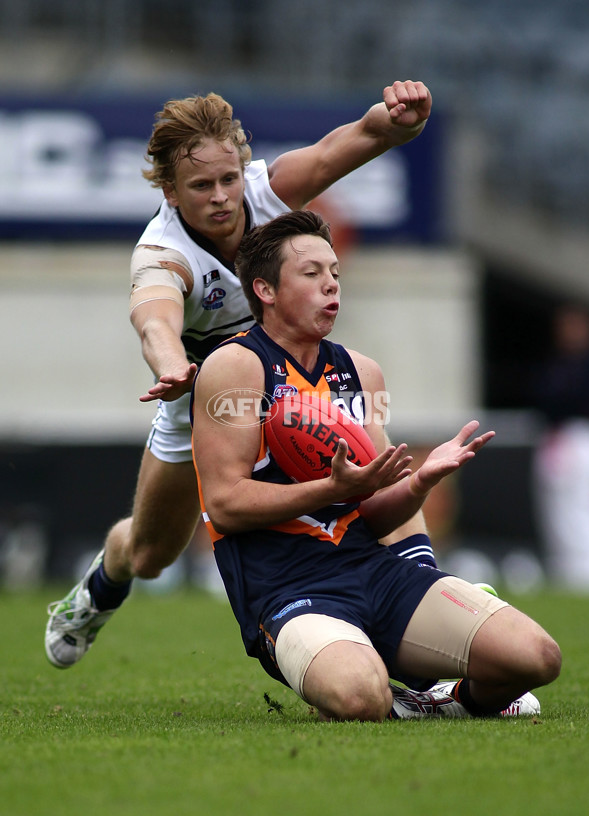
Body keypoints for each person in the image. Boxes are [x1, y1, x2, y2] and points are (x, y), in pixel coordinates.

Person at [45, 80, 440, 668]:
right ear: (171, 191)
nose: (222, 196)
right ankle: (100, 588)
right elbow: (155, 318)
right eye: (201, 185)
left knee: (374, 461)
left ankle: (431, 590)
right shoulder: (162, 252)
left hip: (296, 388)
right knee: (153, 554)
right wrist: (174, 366)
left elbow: (352, 140)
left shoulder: (271, 192)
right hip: (210, 409)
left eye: (228, 178)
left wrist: (401, 122)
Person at [191, 210, 561, 722]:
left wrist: (419, 484)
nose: (331, 286)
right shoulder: (234, 367)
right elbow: (225, 506)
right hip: (288, 590)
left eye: (336, 274)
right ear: (266, 290)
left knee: (536, 658)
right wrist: (329, 488)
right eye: (312, 273)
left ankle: (446, 702)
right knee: (361, 696)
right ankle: (375, 681)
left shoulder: (364, 373)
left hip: (375, 571)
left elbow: (376, 511)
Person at [531, 304, 589, 590]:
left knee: (582, 508)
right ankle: (567, 573)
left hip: (584, 437)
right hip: (556, 439)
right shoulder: (556, 364)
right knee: (557, 511)